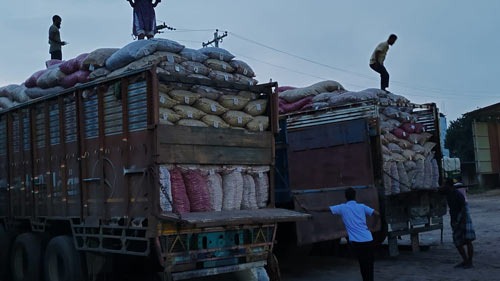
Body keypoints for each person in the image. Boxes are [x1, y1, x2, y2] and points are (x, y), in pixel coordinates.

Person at [330, 187, 380, 281]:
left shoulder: (342, 208)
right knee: (369, 265)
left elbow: (325, 209)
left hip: (357, 242)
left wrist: (308, 208)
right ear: (355, 196)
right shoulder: (361, 206)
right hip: (368, 239)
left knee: (363, 265)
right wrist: (373, 226)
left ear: (345, 197)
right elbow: (376, 214)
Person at [441, 178, 475, 269]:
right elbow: (439, 191)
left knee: (468, 240)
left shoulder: (458, 195)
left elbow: (463, 208)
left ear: (449, 186)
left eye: (445, 185)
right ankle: (465, 260)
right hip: (455, 219)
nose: (444, 186)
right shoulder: (448, 193)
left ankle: (470, 262)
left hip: (463, 218)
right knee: (457, 242)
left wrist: (461, 220)